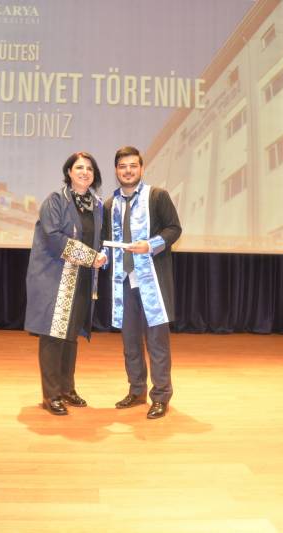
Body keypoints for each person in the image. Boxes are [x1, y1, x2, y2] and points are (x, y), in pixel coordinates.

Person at [25, 152, 108, 415]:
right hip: (54, 277)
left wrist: (103, 255)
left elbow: (102, 239)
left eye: (90, 169)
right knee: (53, 335)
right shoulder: (55, 201)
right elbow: (54, 238)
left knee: (70, 335)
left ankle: (66, 388)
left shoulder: (97, 205)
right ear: (69, 172)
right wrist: (91, 257)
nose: (85, 172)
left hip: (82, 279)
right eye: (79, 167)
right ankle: (51, 395)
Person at [103, 146, 182, 419]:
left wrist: (150, 244)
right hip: (124, 282)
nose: (128, 171)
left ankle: (160, 395)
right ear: (116, 170)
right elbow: (106, 242)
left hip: (152, 281)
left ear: (141, 168)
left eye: (133, 166)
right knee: (130, 342)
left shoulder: (157, 196)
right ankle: (136, 390)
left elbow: (174, 229)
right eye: (122, 166)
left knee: (157, 342)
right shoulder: (109, 205)